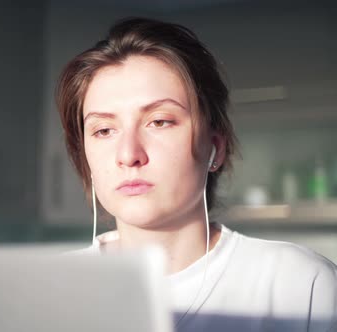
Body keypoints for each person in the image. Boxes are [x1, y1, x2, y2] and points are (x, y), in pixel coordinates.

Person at [56, 17, 337, 331]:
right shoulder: (48, 289)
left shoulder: (297, 286)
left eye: (159, 121)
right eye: (104, 130)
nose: (128, 155)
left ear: (214, 147)